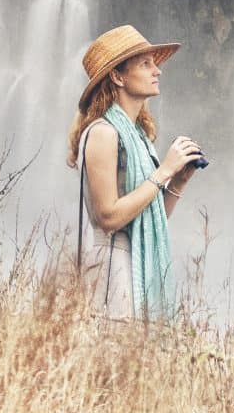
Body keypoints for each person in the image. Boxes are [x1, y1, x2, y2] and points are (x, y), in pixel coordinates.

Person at [68, 25, 203, 320]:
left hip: (133, 265)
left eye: (154, 63)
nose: (157, 71)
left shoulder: (139, 137)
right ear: (117, 76)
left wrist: (177, 181)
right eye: (145, 64)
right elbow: (109, 217)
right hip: (111, 272)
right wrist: (164, 171)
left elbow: (147, 216)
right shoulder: (104, 133)